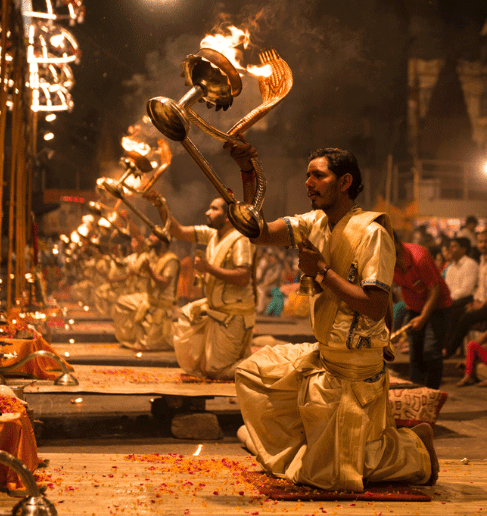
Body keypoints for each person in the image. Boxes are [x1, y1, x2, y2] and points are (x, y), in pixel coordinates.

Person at [228, 141, 438, 492]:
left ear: (344, 182)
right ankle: (318, 447)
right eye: (307, 175)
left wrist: (322, 272)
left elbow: (373, 306)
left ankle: (415, 448)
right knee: (253, 373)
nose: (308, 182)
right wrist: (249, 173)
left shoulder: (373, 233)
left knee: (335, 476)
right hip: (325, 357)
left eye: (318, 175)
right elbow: (259, 232)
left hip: (356, 367)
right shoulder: (312, 223)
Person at [145, 191, 256, 380]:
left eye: (214, 209)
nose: (207, 212)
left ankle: (262, 366)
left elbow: (243, 277)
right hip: (217, 311)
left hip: (234, 314)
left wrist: (208, 268)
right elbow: (177, 231)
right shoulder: (212, 235)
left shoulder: (240, 239)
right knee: (190, 325)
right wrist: (160, 205)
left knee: (216, 371)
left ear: (228, 217)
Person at [443, 227, 487, 357]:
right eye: (480, 242)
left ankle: (449, 351)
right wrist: (475, 302)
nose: (483, 245)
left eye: (486, 241)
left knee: (466, 317)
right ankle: (444, 348)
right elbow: (481, 287)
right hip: (485, 303)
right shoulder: (483, 260)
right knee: (455, 314)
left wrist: (481, 305)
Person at [394, 235, 453, 389]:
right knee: (415, 354)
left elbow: (434, 290)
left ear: (395, 243)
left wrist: (423, 317)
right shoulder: (385, 259)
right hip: (413, 308)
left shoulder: (419, 257)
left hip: (437, 306)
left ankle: (431, 395)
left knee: (431, 353)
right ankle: (416, 394)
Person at [112, 234, 180, 351]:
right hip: (148, 298)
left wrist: (149, 270)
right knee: (121, 302)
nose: (150, 237)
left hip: (160, 303)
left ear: (163, 242)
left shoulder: (171, 260)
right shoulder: (155, 256)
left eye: (154, 236)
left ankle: (143, 339)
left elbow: (164, 284)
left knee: (149, 342)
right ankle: (130, 338)